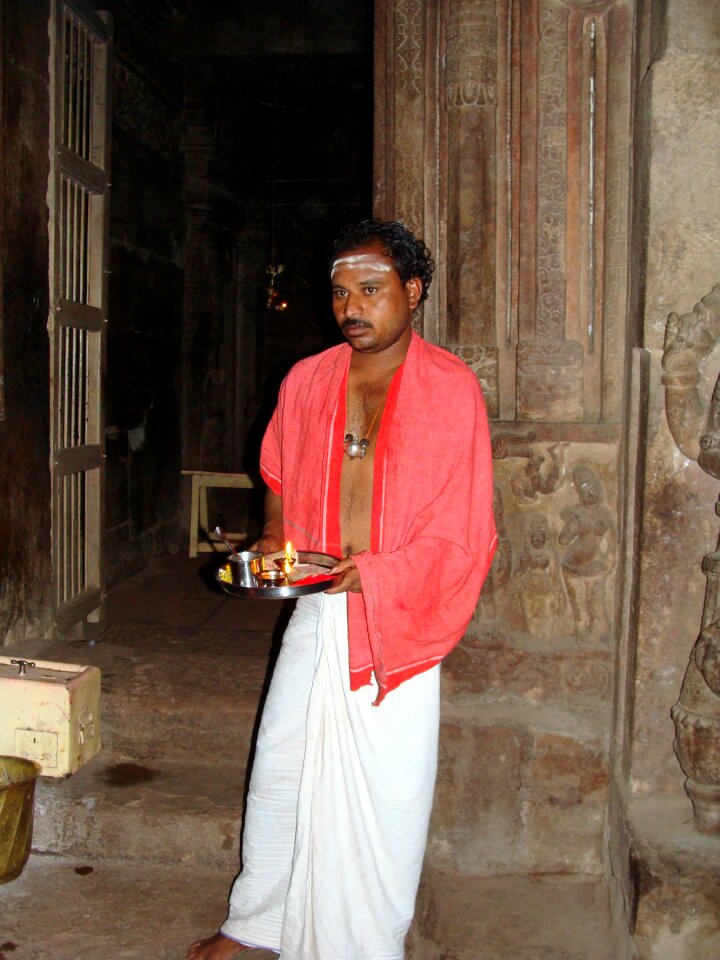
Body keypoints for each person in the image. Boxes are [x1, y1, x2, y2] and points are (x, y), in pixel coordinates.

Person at [187, 219, 497, 960]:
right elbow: (280, 479)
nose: (350, 306)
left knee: (381, 802)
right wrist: (272, 536)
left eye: (370, 289)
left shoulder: (451, 389)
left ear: (412, 293)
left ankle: (359, 946)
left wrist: (382, 573)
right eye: (338, 292)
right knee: (283, 764)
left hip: (395, 619)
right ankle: (257, 923)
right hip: (321, 603)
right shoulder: (308, 380)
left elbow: (462, 525)